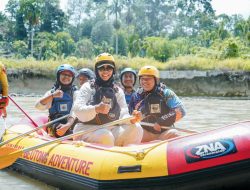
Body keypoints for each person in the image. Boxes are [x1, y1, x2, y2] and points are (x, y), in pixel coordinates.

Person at [72, 53, 143, 146]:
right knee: (106, 135)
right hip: (86, 129)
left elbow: (123, 114)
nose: (105, 72)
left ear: (113, 70)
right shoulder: (88, 87)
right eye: (102, 68)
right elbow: (77, 110)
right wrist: (96, 109)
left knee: (137, 127)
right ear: (97, 70)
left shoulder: (117, 91)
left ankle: (127, 155)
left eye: (109, 68)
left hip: (109, 129)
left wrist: (131, 119)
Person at [129, 65, 186, 142]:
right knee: (132, 131)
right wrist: (133, 118)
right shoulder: (135, 96)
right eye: (142, 79)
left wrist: (161, 121)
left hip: (164, 133)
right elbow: (129, 117)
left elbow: (181, 111)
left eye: (148, 79)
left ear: (156, 80)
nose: (145, 81)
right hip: (145, 133)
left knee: (175, 134)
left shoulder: (166, 93)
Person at [35, 64, 78, 137]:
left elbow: (76, 110)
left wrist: (67, 125)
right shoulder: (51, 93)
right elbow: (38, 106)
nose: (66, 77)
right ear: (58, 76)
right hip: (55, 124)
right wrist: (52, 96)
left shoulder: (76, 93)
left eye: (69, 75)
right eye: (64, 74)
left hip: (71, 123)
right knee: (58, 128)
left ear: (72, 78)